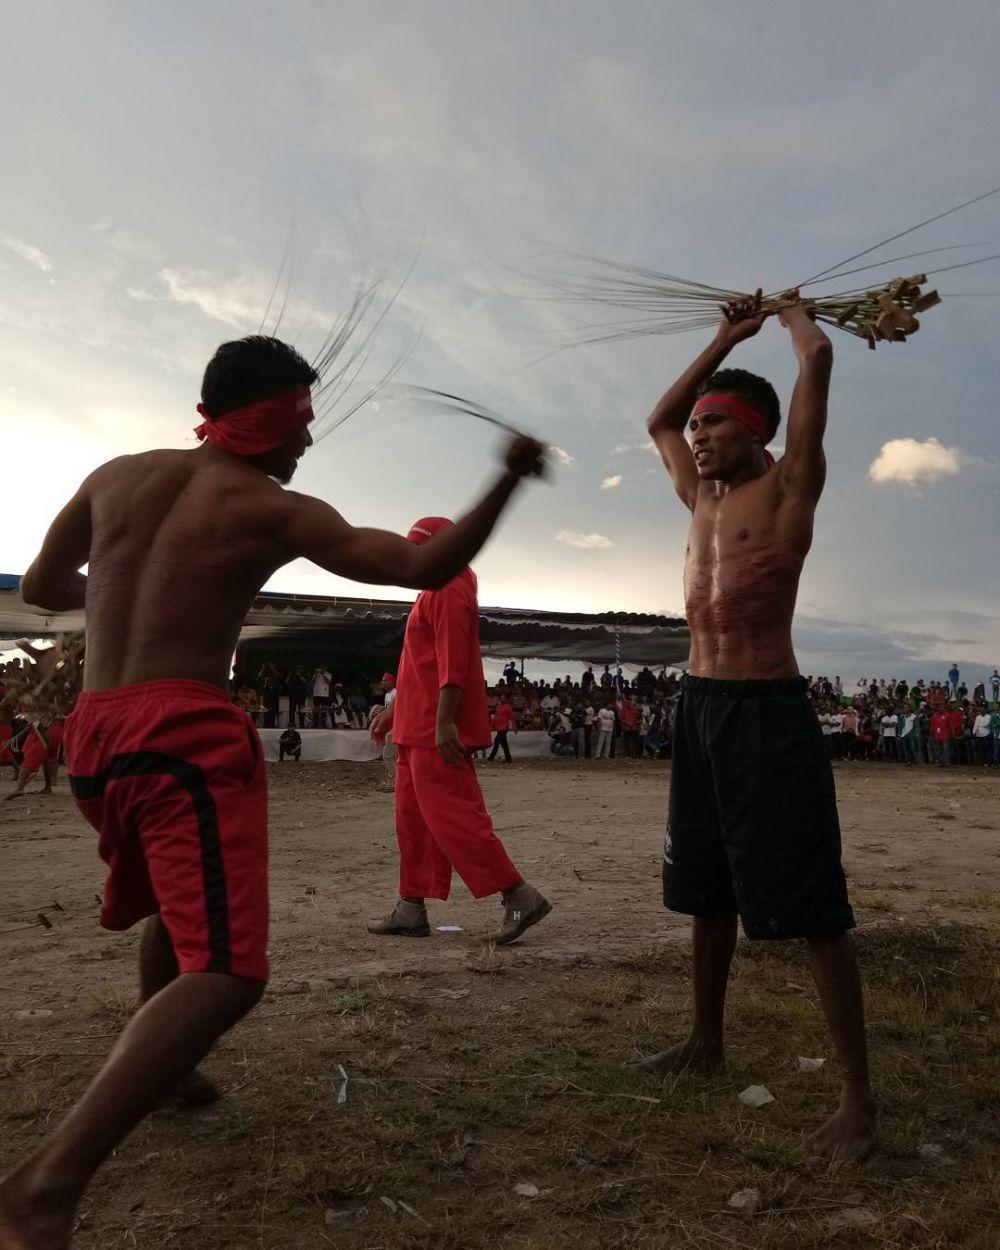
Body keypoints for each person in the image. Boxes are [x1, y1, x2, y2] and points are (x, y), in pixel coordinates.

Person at [0, 333, 546, 1250]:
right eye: (301, 425)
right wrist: (508, 477)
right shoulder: (265, 505)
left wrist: (136, 588)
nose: (304, 446)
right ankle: (44, 1188)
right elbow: (424, 566)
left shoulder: (114, 476)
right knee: (229, 971)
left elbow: (52, 585)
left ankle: (170, 1075)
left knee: (177, 919)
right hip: (181, 733)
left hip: (94, 732)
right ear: (267, 423)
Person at [637, 293, 876, 1162]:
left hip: (766, 713)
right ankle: (705, 1040)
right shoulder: (697, 497)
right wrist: (723, 335)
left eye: (715, 425)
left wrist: (789, 315)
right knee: (706, 889)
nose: (696, 436)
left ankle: (858, 1102)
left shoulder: (788, 490)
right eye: (697, 427)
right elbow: (657, 415)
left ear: (756, 432)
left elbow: (816, 365)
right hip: (700, 709)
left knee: (814, 906)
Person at [368, 517, 551, 947]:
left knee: (453, 817)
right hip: (415, 727)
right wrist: (393, 714)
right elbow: (418, 665)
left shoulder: (449, 587)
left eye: (419, 549)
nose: (413, 557)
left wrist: (445, 720)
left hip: (434, 728)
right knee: (412, 822)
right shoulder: (431, 588)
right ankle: (410, 908)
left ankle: (519, 894)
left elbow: (453, 661)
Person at [379, 672, 398, 793]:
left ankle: (397, 780)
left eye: (385, 680)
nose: (382, 683)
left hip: (394, 728)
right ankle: (391, 781)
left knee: (387, 756)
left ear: (391, 682)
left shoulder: (396, 692)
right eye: (382, 680)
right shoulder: (387, 694)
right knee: (393, 757)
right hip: (390, 728)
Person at [489, 692, 516, 763]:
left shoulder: (508, 707)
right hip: (498, 727)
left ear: (506, 699)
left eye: (503, 698)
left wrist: (514, 726)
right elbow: (495, 717)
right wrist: (492, 726)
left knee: (496, 742)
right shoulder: (498, 707)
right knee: (504, 744)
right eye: (501, 698)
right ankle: (508, 758)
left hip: (504, 727)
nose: (502, 699)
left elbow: (512, 717)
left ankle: (491, 758)